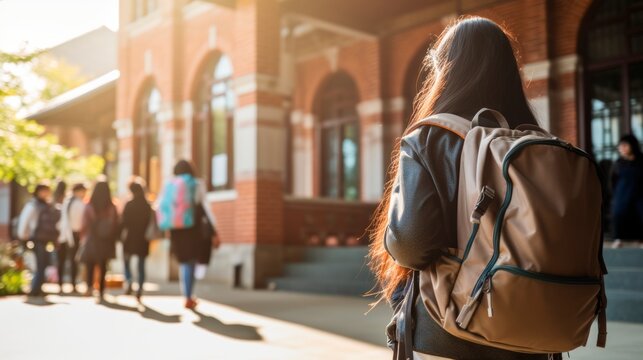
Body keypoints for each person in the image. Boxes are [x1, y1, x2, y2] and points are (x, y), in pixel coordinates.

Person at [369, 17, 555, 359]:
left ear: (444, 70)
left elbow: (411, 245)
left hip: (450, 331)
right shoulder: (540, 144)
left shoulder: (428, 137)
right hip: (536, 331)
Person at [157, 160, 216, 309]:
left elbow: (162, 207)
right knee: (191, 262)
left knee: (184, 263)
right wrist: (214, 229)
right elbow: (205, 207)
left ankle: (187, 295)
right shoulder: (196, 184)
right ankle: (189, 296)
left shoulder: (169, 185)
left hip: (176, 229)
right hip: (193, 228)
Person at [79, 180, 118, 301]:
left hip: (92, 238)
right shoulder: (111, 206)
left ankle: (89, 287)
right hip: (106, 239)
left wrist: (83, 237)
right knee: (103, 265)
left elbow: (84, 223)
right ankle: (101, 290)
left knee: (90, 263)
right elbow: (116, 224)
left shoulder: (89, 205)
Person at [119, 178, 152, 301]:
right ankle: (140, 288)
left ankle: (129, 281)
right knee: (141, 264)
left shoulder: (129, 204)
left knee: (127, 261)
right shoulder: (147, 205)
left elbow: (123, 222)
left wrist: (118, 235)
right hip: (143, 238)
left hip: (129, 238)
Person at [611, 134, 643, 247]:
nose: (622, 148)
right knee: (618, 213)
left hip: (639, 193)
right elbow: (613, 181)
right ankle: (618, 239)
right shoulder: (618, 163)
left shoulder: (641, 161)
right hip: (622, 192)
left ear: (632, 146)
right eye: (620, 146)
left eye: (625, 145)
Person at [57, 183, 86, 293]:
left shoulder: (66, 201)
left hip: (63, 234)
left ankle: (61, 284)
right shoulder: (78, 203)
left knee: (62, 260)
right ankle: (73, 284)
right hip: (74, 234)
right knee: (73, 260)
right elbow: (81, 221)